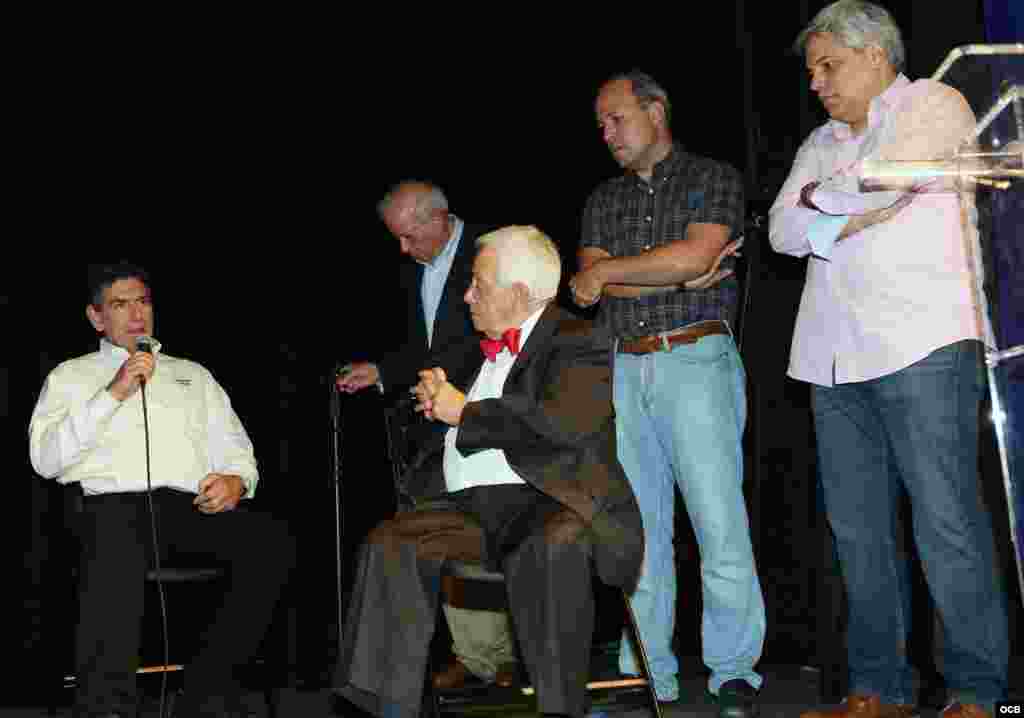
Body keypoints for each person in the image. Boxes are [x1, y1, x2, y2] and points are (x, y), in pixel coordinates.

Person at [768, 3, 1009, 718]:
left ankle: (975, 691)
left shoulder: (936, 100)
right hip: (831, 357)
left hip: (924, 342)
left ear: (874, 54)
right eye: (812, 69)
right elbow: (782, 230)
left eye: (827, 65)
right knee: (857, 532)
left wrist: (827, 201)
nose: (816, 82)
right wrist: (848, 199)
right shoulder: (816, 140)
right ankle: (878, 688)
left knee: (946, 519)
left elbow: (898, 175)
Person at [332, 226, 644, 718]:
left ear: (518, 293)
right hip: (474, 511)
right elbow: (466, 422)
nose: (467, 295)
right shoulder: (479, 350)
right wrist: (437, 404)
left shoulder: (578, 339)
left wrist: (465, 414)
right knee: (393, 540)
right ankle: (385, 706)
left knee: (556, 544)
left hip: (549, 502)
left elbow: (561, 423)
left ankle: (561, 708)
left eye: (478, 284)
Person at [570, 70, 764, 717]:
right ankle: (645, 672)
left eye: (616, 118)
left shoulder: (714, 177)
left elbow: (689, 254)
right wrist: (682, 275)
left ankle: (734, 670)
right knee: (639, 531)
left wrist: (643, 271)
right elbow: (589, 287)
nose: (606, 133)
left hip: (696, 358)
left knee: (718, 520)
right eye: (600, 124)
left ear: (655, 111)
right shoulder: (602, 199)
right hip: (624, 367)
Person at [29, 262, 295, 718]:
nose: (136, 314)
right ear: (96, 318)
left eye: (143, 302)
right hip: (106, 510)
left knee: (272, 541)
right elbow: (45, 460)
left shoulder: (194, 375)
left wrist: (236, 482)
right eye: (120, 304)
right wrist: (113, 392)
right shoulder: (70, 377)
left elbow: (238, 452)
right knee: (115, 531)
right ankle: (106, 707)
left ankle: (205, 692)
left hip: (187, 508)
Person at [337, 180, 519, 691]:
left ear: (439, 219)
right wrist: (383, 372)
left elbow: (497, 335)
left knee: (483, 530)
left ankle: (503, 655)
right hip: (425, 424)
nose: (402, 248)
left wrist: (450, 389)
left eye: (409, 236)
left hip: (487, 413)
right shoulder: (407, 268)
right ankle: (477, 656)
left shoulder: (492, 250)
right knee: (436, 531)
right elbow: (419, 345)